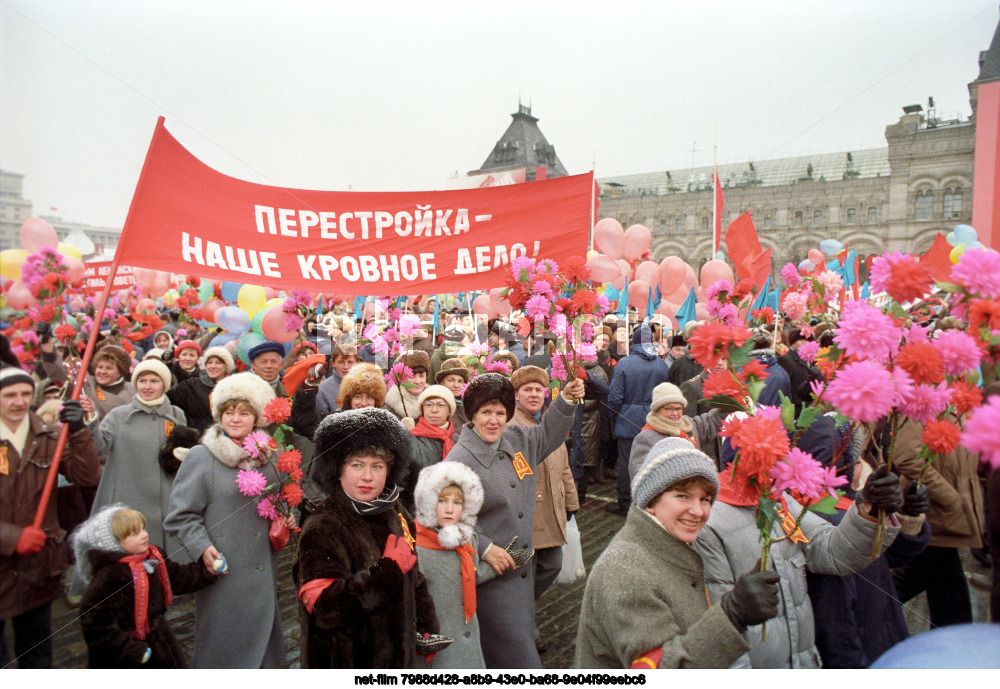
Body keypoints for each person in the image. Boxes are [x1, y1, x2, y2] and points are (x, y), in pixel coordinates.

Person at [695, 441, 906, 668]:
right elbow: (721, 629)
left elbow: (835, 552)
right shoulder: (710, 523)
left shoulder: (781, 501)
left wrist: (871, 508)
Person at [575, 437, 778, 668]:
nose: (698, 511)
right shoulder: (625, 570)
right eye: (683, 496)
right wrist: (732, 616)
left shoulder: (675, 546)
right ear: (650, 501)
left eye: (705, 499)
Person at [446, 372, 585, 668]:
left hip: (521, 573)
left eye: (500, 413)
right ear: (471, 415)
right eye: (486, 412)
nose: (494, 420)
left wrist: (566, 398)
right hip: (491, 580)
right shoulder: (459, 461)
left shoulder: (516, 439)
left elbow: (550, 432)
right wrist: (483, 547)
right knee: (518, 660)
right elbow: (444, 521)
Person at [293, 407, 441, 668]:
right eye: (357, 465)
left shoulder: (395, 510)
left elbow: (414, 575)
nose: (368, 477)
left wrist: (426, 625)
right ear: (338, 469)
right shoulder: (322, 525)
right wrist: (387, 572)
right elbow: (325, 609)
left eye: (377, 466)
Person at [164, 372, 292, 668]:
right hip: (224, 571)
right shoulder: (202, 457)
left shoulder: (271, 455)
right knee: (226, 650)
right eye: (228, 412)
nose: (235, 418)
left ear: (258, 417)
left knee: (264, 651)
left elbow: (282, 500)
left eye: (244, 412)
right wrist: (201, 549)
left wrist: (287, 517)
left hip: (263, 570)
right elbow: (180, 516)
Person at [1, 366, 100, 668]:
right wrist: (12, 537)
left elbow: (86, 475)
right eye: (9, 395)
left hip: (38, 566)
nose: (18, 401)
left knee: (37, 652)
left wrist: (80, 431)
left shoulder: (48, 435)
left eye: (24, 394)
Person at [78, 359, 188, 576]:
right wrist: (91, 420)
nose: (147, 386)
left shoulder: (176, 415)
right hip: (129, 496)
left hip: (166, 496)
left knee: (166, 561)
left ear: (164, 385)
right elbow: (99, 447)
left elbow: (183, 452)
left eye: (154, 381)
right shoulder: (119, 415)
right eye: (142, 380)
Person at [76, 505, 219, 668]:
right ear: (115, 543)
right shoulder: (110, 576)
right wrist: (129, 649)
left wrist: (206, 572)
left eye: (143, 529)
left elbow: (177, 577)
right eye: (135, 533)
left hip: (158, 638)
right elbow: (95, 622)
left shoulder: (152, 557)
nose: (145, 535)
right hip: (126, 654)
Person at [506, 365, 579, 653]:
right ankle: (526, 626)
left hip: (553, 509)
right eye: (528, 389)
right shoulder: (512, 426)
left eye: (539, 389)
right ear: (516, 395)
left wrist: (571, 500)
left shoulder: (552, 421)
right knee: (527, 574)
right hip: (528, 512)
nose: (534, 394)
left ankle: (518, 613)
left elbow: (564, 467)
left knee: (553, 564)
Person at [413, 461, 509, 668]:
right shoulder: (417, 549)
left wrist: (503, 562)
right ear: (428, 501)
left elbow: (469, 575)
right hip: (439, 647)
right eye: (442, 501)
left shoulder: (466, 540)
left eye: (457, 503)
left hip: (470, 642)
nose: (450, 509)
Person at [892, 413, 985, 628]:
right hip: (933, 512)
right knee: (951, 591)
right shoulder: (924, 406)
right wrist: (950, 496)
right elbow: (907, 456)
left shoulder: (959, 408)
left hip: (946, 513)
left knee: (920, 575)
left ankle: (869, 609)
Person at [606, 324, 671, 514]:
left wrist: (613, 416)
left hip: (627, 421)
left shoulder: (625, 363)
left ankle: (625, 504)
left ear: (633, 342)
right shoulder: (661, 364)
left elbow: (615, 397)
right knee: (649, 462)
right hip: (653, 422)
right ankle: (648, 503)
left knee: (627, 464)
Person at [627, 382, 722, 482]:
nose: (675, 413)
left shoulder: (690, 426)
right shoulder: (646, 437)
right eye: (669, 409)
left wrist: (731, 403)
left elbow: (713, 419)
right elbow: (639, 476)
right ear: (657, 409)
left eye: (679, 409)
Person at [166, 346, 235, 433]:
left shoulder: (234, 388)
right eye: (209, 363)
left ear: (226, 366)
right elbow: (168, 400)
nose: (213, 366)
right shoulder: (190, 385)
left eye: (218, 363)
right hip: (199, 436)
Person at [82, 344, 135, 420]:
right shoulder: (87, 383)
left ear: (120, 372)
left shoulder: (132, 391)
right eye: (100, 367)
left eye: (109, 368)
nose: (103, 372)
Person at [385, 351, 431, 422]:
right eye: (411, 376)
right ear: (400, 378)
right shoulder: (390, 408)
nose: (418, 381)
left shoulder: (435, 400)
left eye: (421, 376)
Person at [316, 342, 359, 417]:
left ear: (357, 363)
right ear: (333, 363)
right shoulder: (322, 390)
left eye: (350, 362)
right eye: (341, 362)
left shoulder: (365, 385)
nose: (345, 367)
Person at [436, 358, 470, 428]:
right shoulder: (437, 406)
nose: (456, 385)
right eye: (451, 380)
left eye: (460, 381)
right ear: (442, 383)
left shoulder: (470, 404)